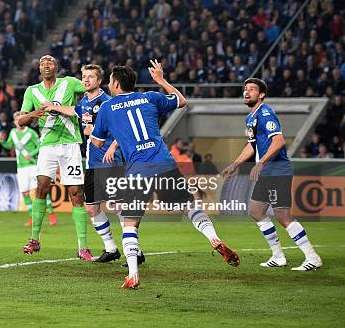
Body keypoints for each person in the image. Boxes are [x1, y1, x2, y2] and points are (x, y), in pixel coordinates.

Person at [91, 62, 239, 289]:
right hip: (164, 163)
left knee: (130, 222)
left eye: (110, 81)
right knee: (189, 206)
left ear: (116, 84)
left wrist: (99, 132)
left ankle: (133, 275)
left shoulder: (107, 108)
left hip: (138, 170)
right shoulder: (150, 97)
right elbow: (181, 101)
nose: (109, 85)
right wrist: (160, 80)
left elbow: (98, 141)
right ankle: (213, 238)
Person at [222, 78, 322, 271]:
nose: (246, 92)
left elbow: (279, 141)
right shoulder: (250, 118)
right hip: (267, 172)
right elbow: (252, 146)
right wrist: (235, 164)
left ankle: (312, 256)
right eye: (245, 89)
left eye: (252, 89)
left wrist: (261, 162)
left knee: (283, 216)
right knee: (256, 211)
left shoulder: (266, 113)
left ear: (261, 95)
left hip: (277, 171)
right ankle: (278, 256)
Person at [45, 64, 139, 264]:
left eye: (90, 77)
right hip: (92, 163)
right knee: (91, 208)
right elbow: (74, 110)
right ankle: (111, 248)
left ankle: (135, 251)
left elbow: (121, 130)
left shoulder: (108, 102)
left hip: (110, 161)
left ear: (99, 81)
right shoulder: (85, 102)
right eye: (83, 76)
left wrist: (96, 133)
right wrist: (54, 107)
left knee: (119, 206)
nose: (86, 80)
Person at [17, 55, 91, 261]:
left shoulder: (69, 83)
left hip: (70, 144)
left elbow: (90, 90)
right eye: (42, 63)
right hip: (47, 146)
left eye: (50, 62)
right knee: (41, 186)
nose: (46, 65)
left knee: (76, 193)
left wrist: (83, 109)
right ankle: (34, 239)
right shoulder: (32, 91)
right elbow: (21, 120)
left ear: (56, 67)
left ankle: (82, 247)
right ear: (39, 68)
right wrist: (33, 114)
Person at [0, 111, 57, 227]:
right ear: (15, 122)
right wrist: (2, 141)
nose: (20, 121)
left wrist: (32, 153)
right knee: (25, 193)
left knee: (40, 190)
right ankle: (31, 217)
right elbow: (9, 146)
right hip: (21, 168)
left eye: (22, 118)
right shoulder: (13, 133)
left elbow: (40, 145)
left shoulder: (31, 133)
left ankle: (51, 214)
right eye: (17, 119)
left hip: (33, 165)